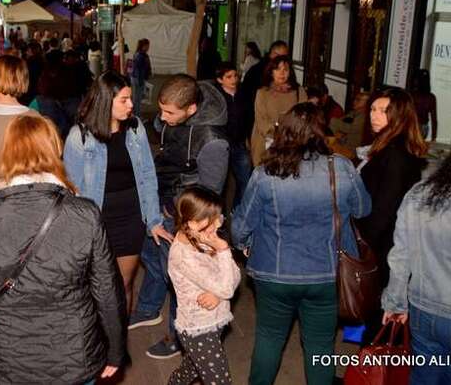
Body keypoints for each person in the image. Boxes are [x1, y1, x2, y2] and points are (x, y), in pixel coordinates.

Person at [0, 114, 125, 384]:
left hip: (7, 360)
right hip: (74, 356)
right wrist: (115, 351)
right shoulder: (85, 214)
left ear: (6, 154)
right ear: (56, 150)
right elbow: (108, 292)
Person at [232, 102, 372, 385]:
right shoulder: (342, 168)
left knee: (269, 338)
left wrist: (245, 245)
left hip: (274, 273)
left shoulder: (265, 173)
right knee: (321, 346)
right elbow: (362, 209)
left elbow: (240, 225)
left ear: (284, 132)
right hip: (327, 273)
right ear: (321, 132)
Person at [130, 74, 230, 360]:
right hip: (165, 203)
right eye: (161, 110)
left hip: (185, 219)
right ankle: (149, 309)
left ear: (192, 109)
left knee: (179, 280)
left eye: (169, 113)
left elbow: (208, 199)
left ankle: (179, 337)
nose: (161, 118)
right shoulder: (176, 119)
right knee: (151, 255)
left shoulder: (212, 141)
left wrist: (186, 229)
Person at [64, 71, 170, 317]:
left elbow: (147, 175)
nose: (131, 105)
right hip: (96, 221)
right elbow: (73, 190)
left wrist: (153, 219)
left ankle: (118, 346)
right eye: (124, 100)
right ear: (104, 101)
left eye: (130, 98)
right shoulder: (79, 137)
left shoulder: (135, 129)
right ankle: (97, 343)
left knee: (123, 284)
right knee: (97, 288)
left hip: (131, 217)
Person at [382, 131, 451, 385]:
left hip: (423, 312)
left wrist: (395, 304)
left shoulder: (422, 193)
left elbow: (401, 256)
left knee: (422, 377)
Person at [357, 87, 427, 342]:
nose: (375, 116)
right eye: (373, 109)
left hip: (384, 250)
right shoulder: (387, 146)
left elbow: (384, 212)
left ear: (399, 116)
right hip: (383, 247)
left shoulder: (395, 154)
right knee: (373, 317)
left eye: (384, 111)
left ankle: (368, 376)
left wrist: (362, 249)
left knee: (379, 321)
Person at [167, 187, 240, 385]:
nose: (218, 223)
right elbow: (227, 285)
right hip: (199, 329)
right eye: (213, 218)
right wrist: (223, 249)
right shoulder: (184, 255)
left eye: (219, 217)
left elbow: (235, 275)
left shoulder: (202, 238)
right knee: (220, 380)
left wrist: (220, 294)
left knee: (190, 369)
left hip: (215, 320)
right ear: (192, 222)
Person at [249, 55, 306, 166]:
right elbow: (261, 122)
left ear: (290, 72)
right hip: (266, 145)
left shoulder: (299, 92)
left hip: (292, 145)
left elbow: (304, 118)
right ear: (271, 72)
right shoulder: (262, 93)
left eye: (285, 69)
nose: (282, 73)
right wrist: (280, 131)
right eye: (277, 69)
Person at [215, 62, 252, 206]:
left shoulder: (244, 94)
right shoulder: (216, 97)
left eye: (235, 75)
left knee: (245, 179)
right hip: (222, 144)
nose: (233, 79)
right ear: (220, 79)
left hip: (239, 143)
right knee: (220, 182)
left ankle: (237, 209)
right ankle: (219, 214)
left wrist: (248, 139)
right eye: (228, 77)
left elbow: (249, 118)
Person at [240, 40, 289, 137]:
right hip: (258, 120)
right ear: (274, 54)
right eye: (282, 57)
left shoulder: (287, 74)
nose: (282, 73)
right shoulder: (257, 71)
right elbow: (248, 100)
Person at [329, 90, 369, 156]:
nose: (354, 102)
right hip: (342, 143)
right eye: (355, 99)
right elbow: (342, 121)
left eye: (358, 100)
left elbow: (351, 128)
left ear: (367, 103)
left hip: (351, 150)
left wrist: (334, 121)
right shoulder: (353, 113)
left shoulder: (364, 117)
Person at [412, 68, 438, 141]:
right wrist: (434, 137)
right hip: (424, 128)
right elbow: (434, 119)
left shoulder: (413, 95)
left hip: (413, 126)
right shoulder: (431, 97)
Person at [130, 38, 152, 116]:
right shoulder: (140, 55)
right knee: (137, 98)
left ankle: (136, 114)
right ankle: (137, 115)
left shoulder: (140, 54)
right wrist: (140, 81)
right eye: (147, 46)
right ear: (143, 46)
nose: (148, 48)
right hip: (138, 78)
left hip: (137, 78)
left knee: (137, 98)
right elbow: (138, 69)